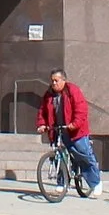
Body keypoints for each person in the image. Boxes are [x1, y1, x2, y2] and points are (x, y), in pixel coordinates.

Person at [37, 69, 103, 199]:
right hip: (58, 129)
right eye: (52, 81)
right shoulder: (49, 94)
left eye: (56, 80)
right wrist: (42, 124)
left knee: (83, 154)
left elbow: (81, 109)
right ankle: (62, 183)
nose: (53, 83)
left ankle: (95, 182)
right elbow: (43, 111)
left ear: (63, 80)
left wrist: (74, 124)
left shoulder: (72, 91)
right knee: (59, 155)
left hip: (75, 131)